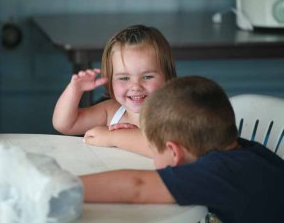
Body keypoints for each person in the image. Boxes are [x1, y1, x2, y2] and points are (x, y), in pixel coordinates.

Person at [80, 76, 284, 223]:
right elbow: (167, 149)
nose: (149, 149)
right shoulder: (238, 150)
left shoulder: (216, 173)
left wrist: (63, 185)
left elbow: (137, 187)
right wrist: (113, 136)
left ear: (174, 152)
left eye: (152, 146)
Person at [52, 25, 176, 156]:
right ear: (110, 80)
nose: (136, 86)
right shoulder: (111, 111)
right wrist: (74, 90)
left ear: (167, 77)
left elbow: (166, 149)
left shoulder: (176, 113)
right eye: (124, 78)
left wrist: (114, 137)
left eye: (147, 76)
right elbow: (65, 125)